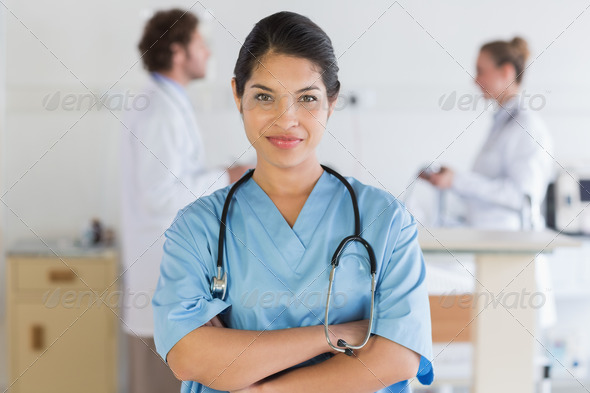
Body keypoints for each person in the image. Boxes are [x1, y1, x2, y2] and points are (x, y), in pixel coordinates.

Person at [152, 11, 434, 393]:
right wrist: (332, 334)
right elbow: (187, 355)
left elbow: (398, 357)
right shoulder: (197, 227)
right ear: (237, 95)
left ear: (331, 103)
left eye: (307, 99)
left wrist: (266, 388)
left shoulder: (386, 220)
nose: (286, 120)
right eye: (264, 97)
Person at [119, 9, 248, 393]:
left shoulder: (167, 102)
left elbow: (174, 179)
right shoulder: (159, 109)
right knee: (160, 381)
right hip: (157, 278)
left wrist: (219, 174)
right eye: (200, 44)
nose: (208, 53)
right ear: (177, 52)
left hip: (167, 277)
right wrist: (224, 177)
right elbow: (160, 196)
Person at [421, 37, 554, 230]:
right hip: (490, 240)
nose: (475, 80)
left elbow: (521, 196)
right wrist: (451, 180)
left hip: (513, 246)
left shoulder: (526, 126)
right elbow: (487, 190)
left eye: (481, 71)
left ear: (506, 72)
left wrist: (458, 180)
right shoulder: (503, 124)